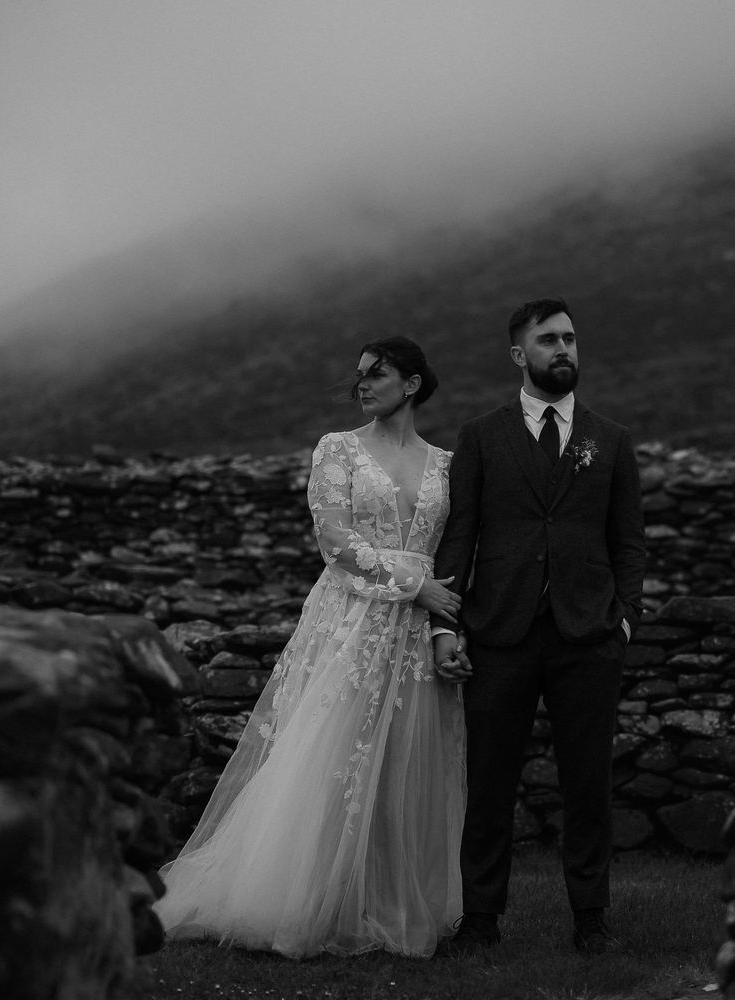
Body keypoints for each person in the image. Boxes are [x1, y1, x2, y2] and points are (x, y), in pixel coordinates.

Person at [154, 337, 466, 959]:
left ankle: (387, 900)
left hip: (413, 632)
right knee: (333, 758)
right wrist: (413, 585)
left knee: (404, 764)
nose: (362, 385)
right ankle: (304, 902)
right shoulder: (338, 449)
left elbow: (453, 553)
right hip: (350, 620)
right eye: (358, 376)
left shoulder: (446, 464)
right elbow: (334, 538)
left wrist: (440, 623)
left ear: (412, 384)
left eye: (377, 375)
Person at [431, 297, 646, 956]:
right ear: (519, 354)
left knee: (588, 782)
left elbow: (628, 540)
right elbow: (459, 533)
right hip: (500, 631)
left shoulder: (610, 440)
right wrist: (445, 625)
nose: (564, 350)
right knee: (489, 782)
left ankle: (591, 917)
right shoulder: (480, 436)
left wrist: (627, 619)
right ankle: (480, 918)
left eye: (571, 339)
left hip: (589, 634)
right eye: (549, 340)